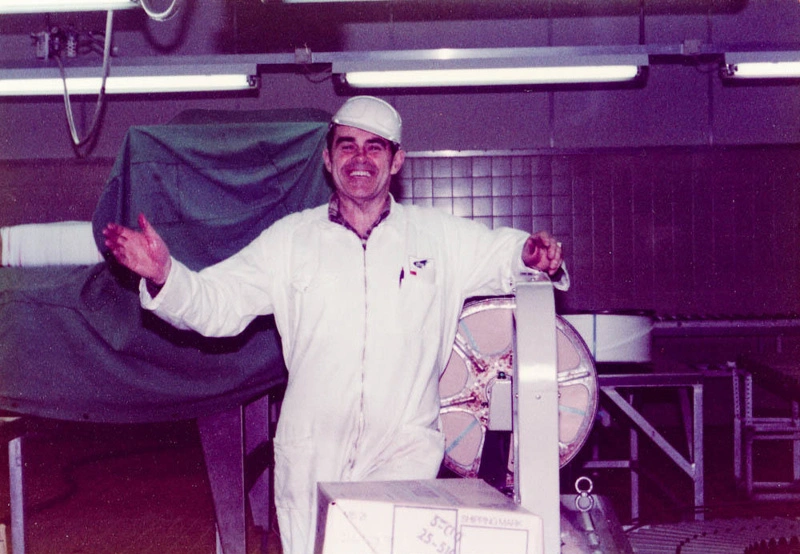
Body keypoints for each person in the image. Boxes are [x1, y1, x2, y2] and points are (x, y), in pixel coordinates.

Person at [103, 95, 568, 554]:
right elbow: (219, 303)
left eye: (374, 147)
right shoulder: (291, 241)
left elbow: (506, 255)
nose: (359, 158)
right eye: (347, 146)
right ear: (328, 159)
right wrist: (167, 275)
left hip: (402, 452)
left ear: (397, 159)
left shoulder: (438, 238)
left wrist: (531, 254)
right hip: (312, 454)